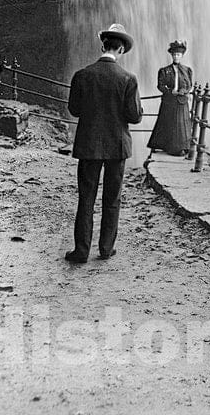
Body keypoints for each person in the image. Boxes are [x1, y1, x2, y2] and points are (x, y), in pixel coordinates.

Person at [65, 22, 142, 263]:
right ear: (120, 51)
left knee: (86, 197)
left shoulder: (82, 75)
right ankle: (106, 248)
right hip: (117, 147)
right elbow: (134, 116)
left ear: (103, 46)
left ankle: (81, 251)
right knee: (112, 198)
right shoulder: (128, 79)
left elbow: (74, 110)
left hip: (89, 146)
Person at [146, 39, 194, 157]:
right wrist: (170, 92)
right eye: (174, 55)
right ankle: (170, 147)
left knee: (182, 124)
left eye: (178, 55)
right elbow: (160, 85)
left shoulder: (187, 70)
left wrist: (185, 91)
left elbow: (190, 85)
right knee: (169, 123)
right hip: (169, 100)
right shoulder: (164, 71)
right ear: (171, 56)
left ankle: (184, 147)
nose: (176, 57)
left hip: (182, 101)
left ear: (181, 56)